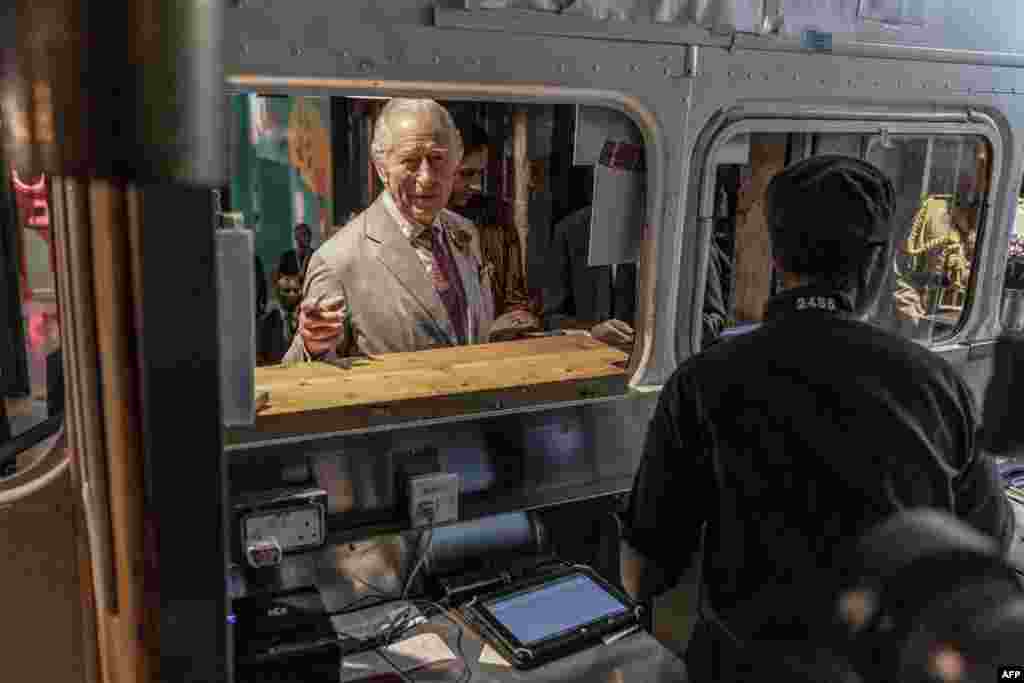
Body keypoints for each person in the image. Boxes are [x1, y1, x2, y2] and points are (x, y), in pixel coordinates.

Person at [618, 156, 1014, 681]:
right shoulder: (940, 386)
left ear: (779, 261)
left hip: (741, 668)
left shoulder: (705, 379)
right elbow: (991, 540)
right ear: (876, 264)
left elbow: (642, 575)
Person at [283, 99, 495, 363]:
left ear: (455, 160)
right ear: (382, 168)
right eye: (410, 161)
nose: (426, 176)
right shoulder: (337, 262)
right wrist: (312, 346)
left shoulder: (465, 233)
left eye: (437, 158)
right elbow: (297, 379)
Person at [543, 204, 728, 350]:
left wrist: (655, 334)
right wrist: (591, 333)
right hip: (592, 372)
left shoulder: (689, 233)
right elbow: (552, 318)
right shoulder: (572, 231)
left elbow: (714, 319)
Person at [448, 119, 540, 340]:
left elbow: (515, 296)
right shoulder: (422, 225)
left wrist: (518, 317)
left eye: (480, 173)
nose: (477, 184)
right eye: (467, 174)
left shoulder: (498, 216)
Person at [257, 256, 303, 365]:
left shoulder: (309, 318)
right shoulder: (266, 322)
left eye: (296, 291)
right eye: (287, 291)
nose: (292, 295)